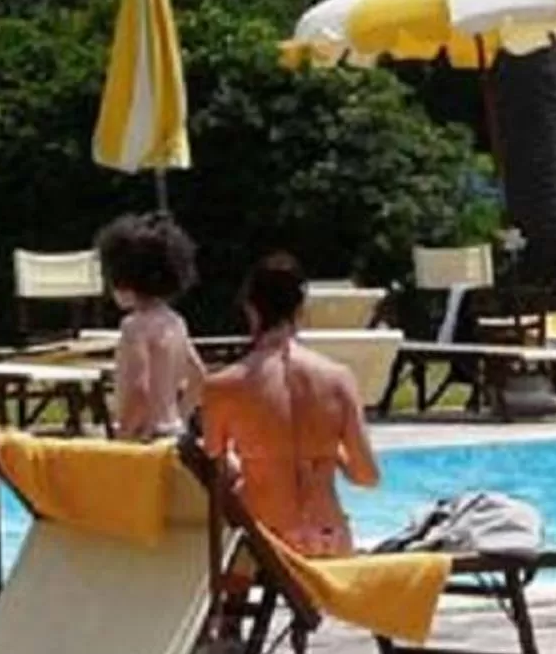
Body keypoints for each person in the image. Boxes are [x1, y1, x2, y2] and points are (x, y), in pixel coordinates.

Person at [200, 254, 381, 557]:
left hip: (262, 540)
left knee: (227, 560)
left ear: (251, 309)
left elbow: (213, 470)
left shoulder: (223, 386)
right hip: (329, 537)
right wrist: (330, 455)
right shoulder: (338, 379)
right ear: (300, 309)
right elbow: (367, 476)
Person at [95, 213, 208, 442]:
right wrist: (181, 417)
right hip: (174, 431)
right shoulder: (176, 322)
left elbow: (139, 389)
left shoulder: (134, 327)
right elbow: (199, 377)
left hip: (145, 436)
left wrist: (123, 436)